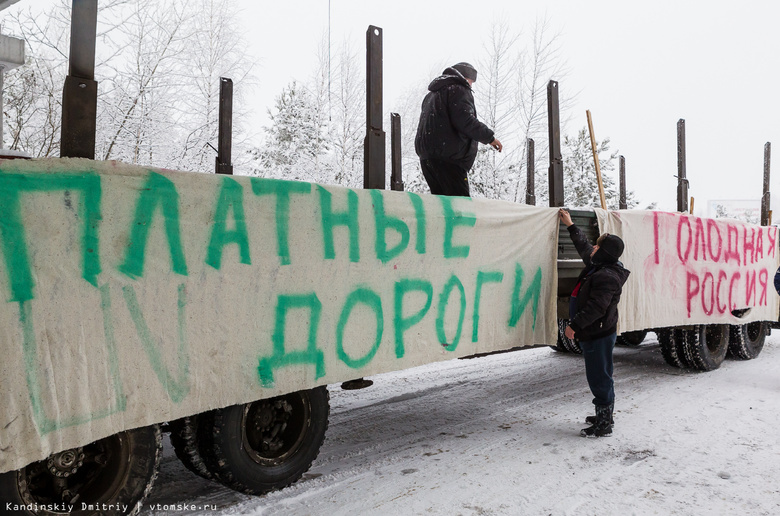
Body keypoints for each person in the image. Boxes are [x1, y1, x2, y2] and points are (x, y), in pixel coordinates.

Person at [558, 208, 630, 437]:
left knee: (599, 376)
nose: (594, 248)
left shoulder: (606, 276)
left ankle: (604, 424)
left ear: (605, 254)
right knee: (601, 375)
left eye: (598, 247)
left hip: (597, 334)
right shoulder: (599, 266)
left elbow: (596, 308)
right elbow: (584, 247)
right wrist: (570, 225)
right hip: (596, 332)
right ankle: (604, 414)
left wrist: (574, 326)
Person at [415, 62, 502, 197]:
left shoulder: (431, 95)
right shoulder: (458, 89)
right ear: (463, 76)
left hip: (427, 160)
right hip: (449, 159)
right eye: (470, 81)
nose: (471, 85)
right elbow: (465, 121)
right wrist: (490, 138)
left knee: (442, 207)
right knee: (460, 208)